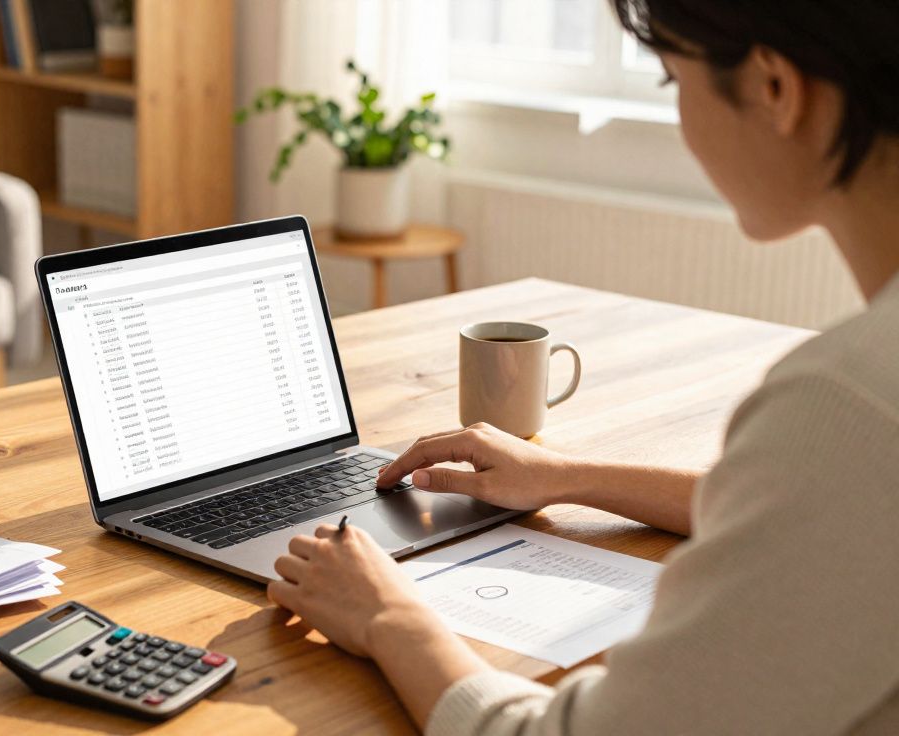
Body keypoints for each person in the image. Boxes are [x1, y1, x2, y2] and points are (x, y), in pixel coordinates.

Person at [267, 1, 899, 733]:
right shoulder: (855, 428)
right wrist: (567, 476)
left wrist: (387, 614)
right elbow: (805, 508)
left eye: (672, 81)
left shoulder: (846, 401)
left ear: (775, 89)